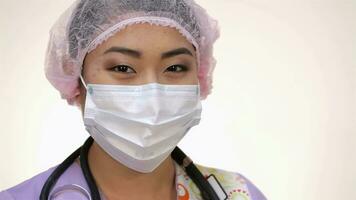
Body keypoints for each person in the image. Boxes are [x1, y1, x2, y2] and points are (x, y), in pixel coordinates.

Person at [0, 0, 266, 199]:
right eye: (123, 68)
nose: (152, 95)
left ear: (200, 77)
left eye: (175, 68)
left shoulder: (238, 194)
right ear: (76, 81)